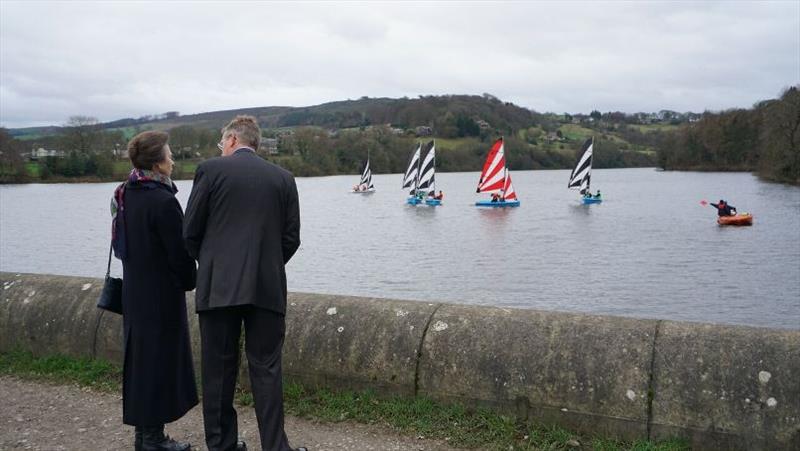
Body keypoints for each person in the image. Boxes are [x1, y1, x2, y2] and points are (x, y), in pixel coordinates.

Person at [184, 116, 305, 451]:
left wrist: (213, 264)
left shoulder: (210, 171)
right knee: (267, 370)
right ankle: (275, 447)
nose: (221, 148)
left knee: (218, 372)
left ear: (233, 139)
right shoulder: (283, 178)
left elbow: (190, 232)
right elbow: (291, 239)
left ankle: (222, 446)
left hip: (219, 288)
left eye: (222, 142)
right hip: (266, 288)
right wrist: (264, 265)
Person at [112, 131, 197, 451]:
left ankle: (144, 436)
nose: (173, 160)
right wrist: (190, 279)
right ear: (158, 163)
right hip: (160, 297)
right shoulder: (162, 201)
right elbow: (181, 254)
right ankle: (152, 440)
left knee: (142, 363)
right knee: (157, 364)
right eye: (169, 155)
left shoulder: (124, 193)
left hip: (135, 294)